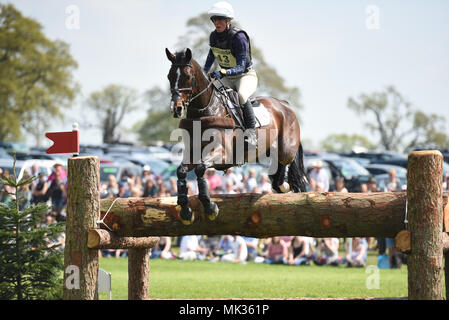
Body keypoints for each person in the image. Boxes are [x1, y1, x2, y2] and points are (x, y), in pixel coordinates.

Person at [204, 1, 258, 145]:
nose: (217, 22)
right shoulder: (213, 36)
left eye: (220, 19)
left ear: (229, 20)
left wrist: (223, 72)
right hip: (227, 76)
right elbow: (211, 56)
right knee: (207, 92)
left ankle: (251, 133)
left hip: (244, 76)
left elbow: (241, 66)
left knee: (241, 95)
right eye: (214, 19)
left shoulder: (238, 37)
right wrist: (204, 73)